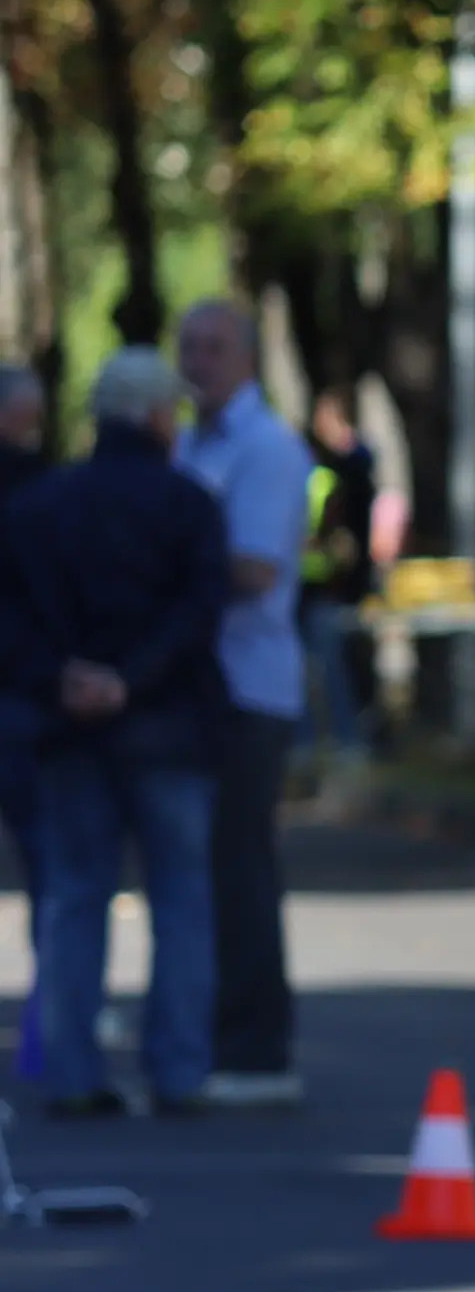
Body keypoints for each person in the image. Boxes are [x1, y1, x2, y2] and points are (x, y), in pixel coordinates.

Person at [9, 349, 228, 1115]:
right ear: (157, 416)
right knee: (181, 902)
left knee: (73, 899)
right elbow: (198, 615)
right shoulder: (186, 503)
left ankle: (71, 1071)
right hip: (168, 729)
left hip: (67, 733)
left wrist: (65, 677)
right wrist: (130, 679)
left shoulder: (39, 506)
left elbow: (12, 620)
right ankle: (179, 1069)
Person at [175, 300, 311, 1107]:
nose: (200, 360)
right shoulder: (191, 441)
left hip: (249, 683)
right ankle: (213, 1027)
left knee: (240, 869)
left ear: (248, 356)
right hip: (205, 683)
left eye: (215, 346)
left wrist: (156, 576)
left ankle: (258, 1049)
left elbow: (255, 568)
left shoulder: (264, 449)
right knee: (209, 870)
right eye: (189, 346)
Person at [299, 386, 376, 761]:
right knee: (322, 667)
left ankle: (341, 739)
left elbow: (330, 536)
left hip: (326, 586)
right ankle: (320, 739)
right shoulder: (339, 469)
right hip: (318, 585)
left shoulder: (335, 473)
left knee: (331, 666)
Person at [0, 366, 49, 925]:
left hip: (21, 683)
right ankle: (50, 1006)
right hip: (23, 684)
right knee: (44, 849)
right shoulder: (41, 488)